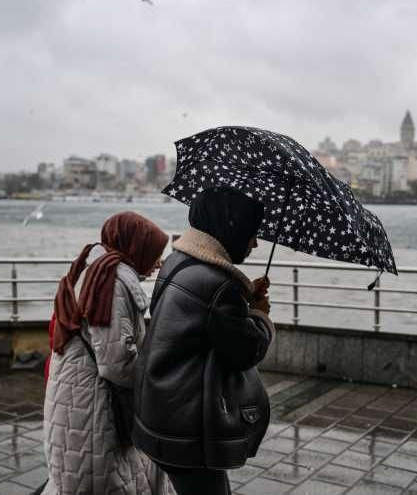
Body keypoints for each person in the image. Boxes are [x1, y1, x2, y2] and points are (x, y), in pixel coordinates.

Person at [132, 187, 275, 495]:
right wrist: (260, 315)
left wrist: (245, 296)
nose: (255, 243)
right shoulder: (220, 286)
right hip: (189, 427)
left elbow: (195, 321)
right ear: (231, 228)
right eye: (252, 233)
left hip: (161, 410)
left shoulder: (178, 262)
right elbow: (247, 351)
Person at [42, 212, 174, 495]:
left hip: (76, 389)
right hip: (94, 400)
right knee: (98, 477)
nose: (158, 263)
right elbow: (117, 363)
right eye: (153, 253)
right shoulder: (111, 281)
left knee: (85, 475)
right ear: (135, 246)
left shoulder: (96, 268)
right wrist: (156, 377)